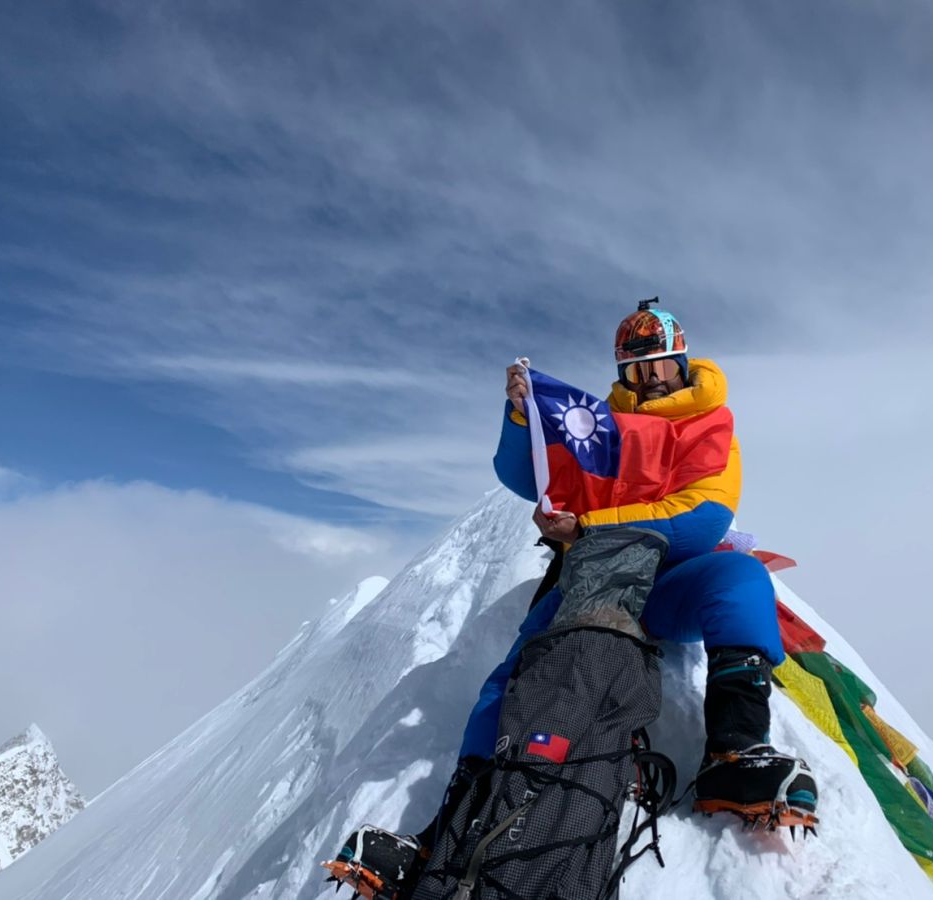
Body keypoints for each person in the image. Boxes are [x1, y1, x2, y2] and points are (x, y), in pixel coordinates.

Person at [324, 300, 816, 897]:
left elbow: (703, 519)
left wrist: (590, 529)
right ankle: (443, 835)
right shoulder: (597, 425)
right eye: (637, 371)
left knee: (738, 580)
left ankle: (735, 753)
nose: (652, 379)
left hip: (659, 581)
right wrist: (518, 413)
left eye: (661, 366)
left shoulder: (710, 422)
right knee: (517, 672)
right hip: (591, 579)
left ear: (682, 362)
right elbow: (526, 475)